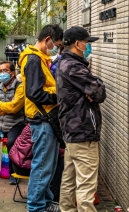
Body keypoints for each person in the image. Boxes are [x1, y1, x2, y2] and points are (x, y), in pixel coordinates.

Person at [57, 26, 106, 212]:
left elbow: (93, 90)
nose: (88, 46)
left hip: (71, 132)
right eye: (86, 43)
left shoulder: (64, 63)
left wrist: (92, 88)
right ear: (78, 44)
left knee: (69, 181)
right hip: (83, 131)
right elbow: (99, 92)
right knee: (86, 186)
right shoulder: (75, 67)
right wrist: (95, 86)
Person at [18, 24, 63, 212]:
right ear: (48, 39)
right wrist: (59, 95)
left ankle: (45, 203)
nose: (57, 48)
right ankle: (36, 207)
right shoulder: (34, 60)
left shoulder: (40, 59)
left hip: (45, 119)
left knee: (48, 166)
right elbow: (34, 93)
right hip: (42, 119)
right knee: (43, 167)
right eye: (57, 44)